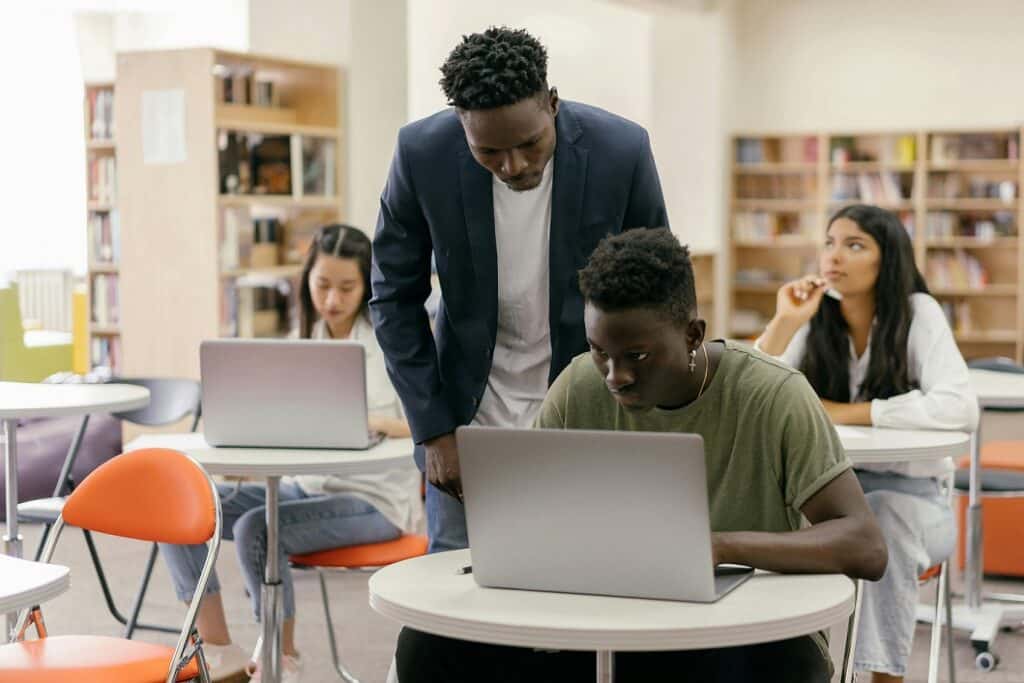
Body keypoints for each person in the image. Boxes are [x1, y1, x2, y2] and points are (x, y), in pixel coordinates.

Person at [395, 228, 888, 683]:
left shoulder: (773, 394)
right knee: (428, 645)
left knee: (777, 666)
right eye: (599, 351)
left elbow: (864, 546)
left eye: (638, 356)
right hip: (602, 624)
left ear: (693, 335)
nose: (615, 376)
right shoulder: (578, 386)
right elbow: (535, 520)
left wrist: (717, 547)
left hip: (738, 633)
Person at [371, 26, 669, 553]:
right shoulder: (422, 154)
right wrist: (432, 431)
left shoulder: (620, 149)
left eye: (530, 144)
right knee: (458, 607)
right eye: (489, 152)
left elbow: (659, 288)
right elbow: (393, 296)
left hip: (588, 413)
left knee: (581, 586)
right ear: (461, 127)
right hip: (465, 428)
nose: (515, 166)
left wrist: (646, 413)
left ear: (552, 104)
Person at [160, 225, 421, 683]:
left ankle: (283, 658)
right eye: (322, 285)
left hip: (375, 501)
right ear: (307, 283)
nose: (332, 300)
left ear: (367, 286)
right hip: (307, 485)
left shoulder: (393, 342)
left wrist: (375, 422)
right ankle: (220, 647)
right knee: (176, 507)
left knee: (255, 529)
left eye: (346, 288)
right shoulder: (305, 338)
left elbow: (423, 424)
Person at [756, 204, 979, 682]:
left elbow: (960, 406)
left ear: (887, 259)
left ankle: (881, 678)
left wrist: (851, 412)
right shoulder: (816, 318)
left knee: (879, 521)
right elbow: (750, 390)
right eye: (830, 242)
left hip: (916, 505)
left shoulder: (919, 313)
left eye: (854, 245)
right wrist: (785, 322)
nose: (835, 255)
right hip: (831, 500)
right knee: (765, 521)